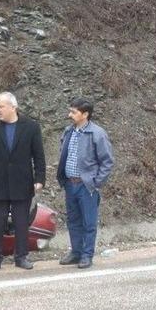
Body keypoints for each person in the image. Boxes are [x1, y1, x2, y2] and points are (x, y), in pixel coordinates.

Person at [0, 92, 46, 273]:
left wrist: (40, 178)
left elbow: (39, 155)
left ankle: (21, 256)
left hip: (22, 182)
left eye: (1, 106)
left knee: (21, 223)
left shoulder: (31, 127)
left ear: (13, 107)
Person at [56, 98, 114, 269]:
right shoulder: (69, 131)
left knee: (89, 222)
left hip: (86, 185)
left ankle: (87, 255)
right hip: (70, 184)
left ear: (85, 114)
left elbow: (107, 161)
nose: (70, 115)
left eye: (74, 112)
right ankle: (76, 252)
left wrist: (96, 183)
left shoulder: (97, 133)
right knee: (73, 220)